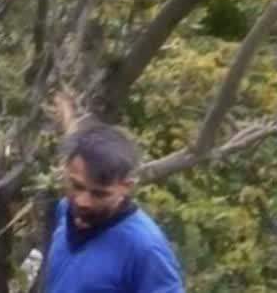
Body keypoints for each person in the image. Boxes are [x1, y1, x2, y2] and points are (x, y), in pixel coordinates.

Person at [43, 124, 184, 293]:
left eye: (99, 194)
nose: (82, 202)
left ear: (126, 187)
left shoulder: (145, 248)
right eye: (77, 186)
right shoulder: (64, 210)